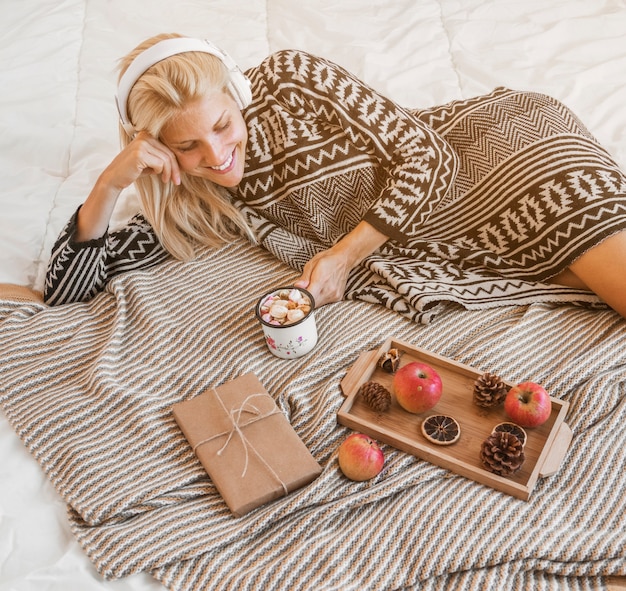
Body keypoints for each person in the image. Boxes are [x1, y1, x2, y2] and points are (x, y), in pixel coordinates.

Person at [44, 33, 626, 322]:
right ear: (158, 149)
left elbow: (426, 158)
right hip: (445, 236)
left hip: (502, 152)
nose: (219, 155)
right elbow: (67, 290)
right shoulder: (186, 200)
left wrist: (345, 256)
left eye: (224, 125)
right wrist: (108, 187)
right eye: (189, 146)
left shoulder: (292, 78)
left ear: (238, 95)